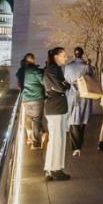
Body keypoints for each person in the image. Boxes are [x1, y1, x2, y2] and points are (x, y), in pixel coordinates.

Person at [42, 47, 71, 181]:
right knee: (58, 139)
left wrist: (64, 85)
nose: (66, 58)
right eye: (63, 55)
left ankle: (51, 168)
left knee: (56, 139)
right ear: (56, 57)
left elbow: (62, 85)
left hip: (56, 107)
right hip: (56, 107)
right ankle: (55, 169)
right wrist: (65, 85)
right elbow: (61, 86)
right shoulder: (52, 69)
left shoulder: (53, 69)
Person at [63, 47, 94, 157]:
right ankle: (78, 144)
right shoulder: (86, 66)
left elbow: (65, 80)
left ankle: (76, 146)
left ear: (74, 54)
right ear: (82, 54)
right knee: (82, 120)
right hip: (85, 94)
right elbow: (92, 79)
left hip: (72, 94)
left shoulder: (68, 66)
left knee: (73, 119)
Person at [21, 53, 46, 150]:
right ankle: (36, 143)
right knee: (36, 120)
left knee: (30, 118)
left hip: (27, 98)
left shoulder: (23, 71)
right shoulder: (35, 70)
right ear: (33, 59)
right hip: (36, 98)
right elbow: (43, 81)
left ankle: (31, 137)